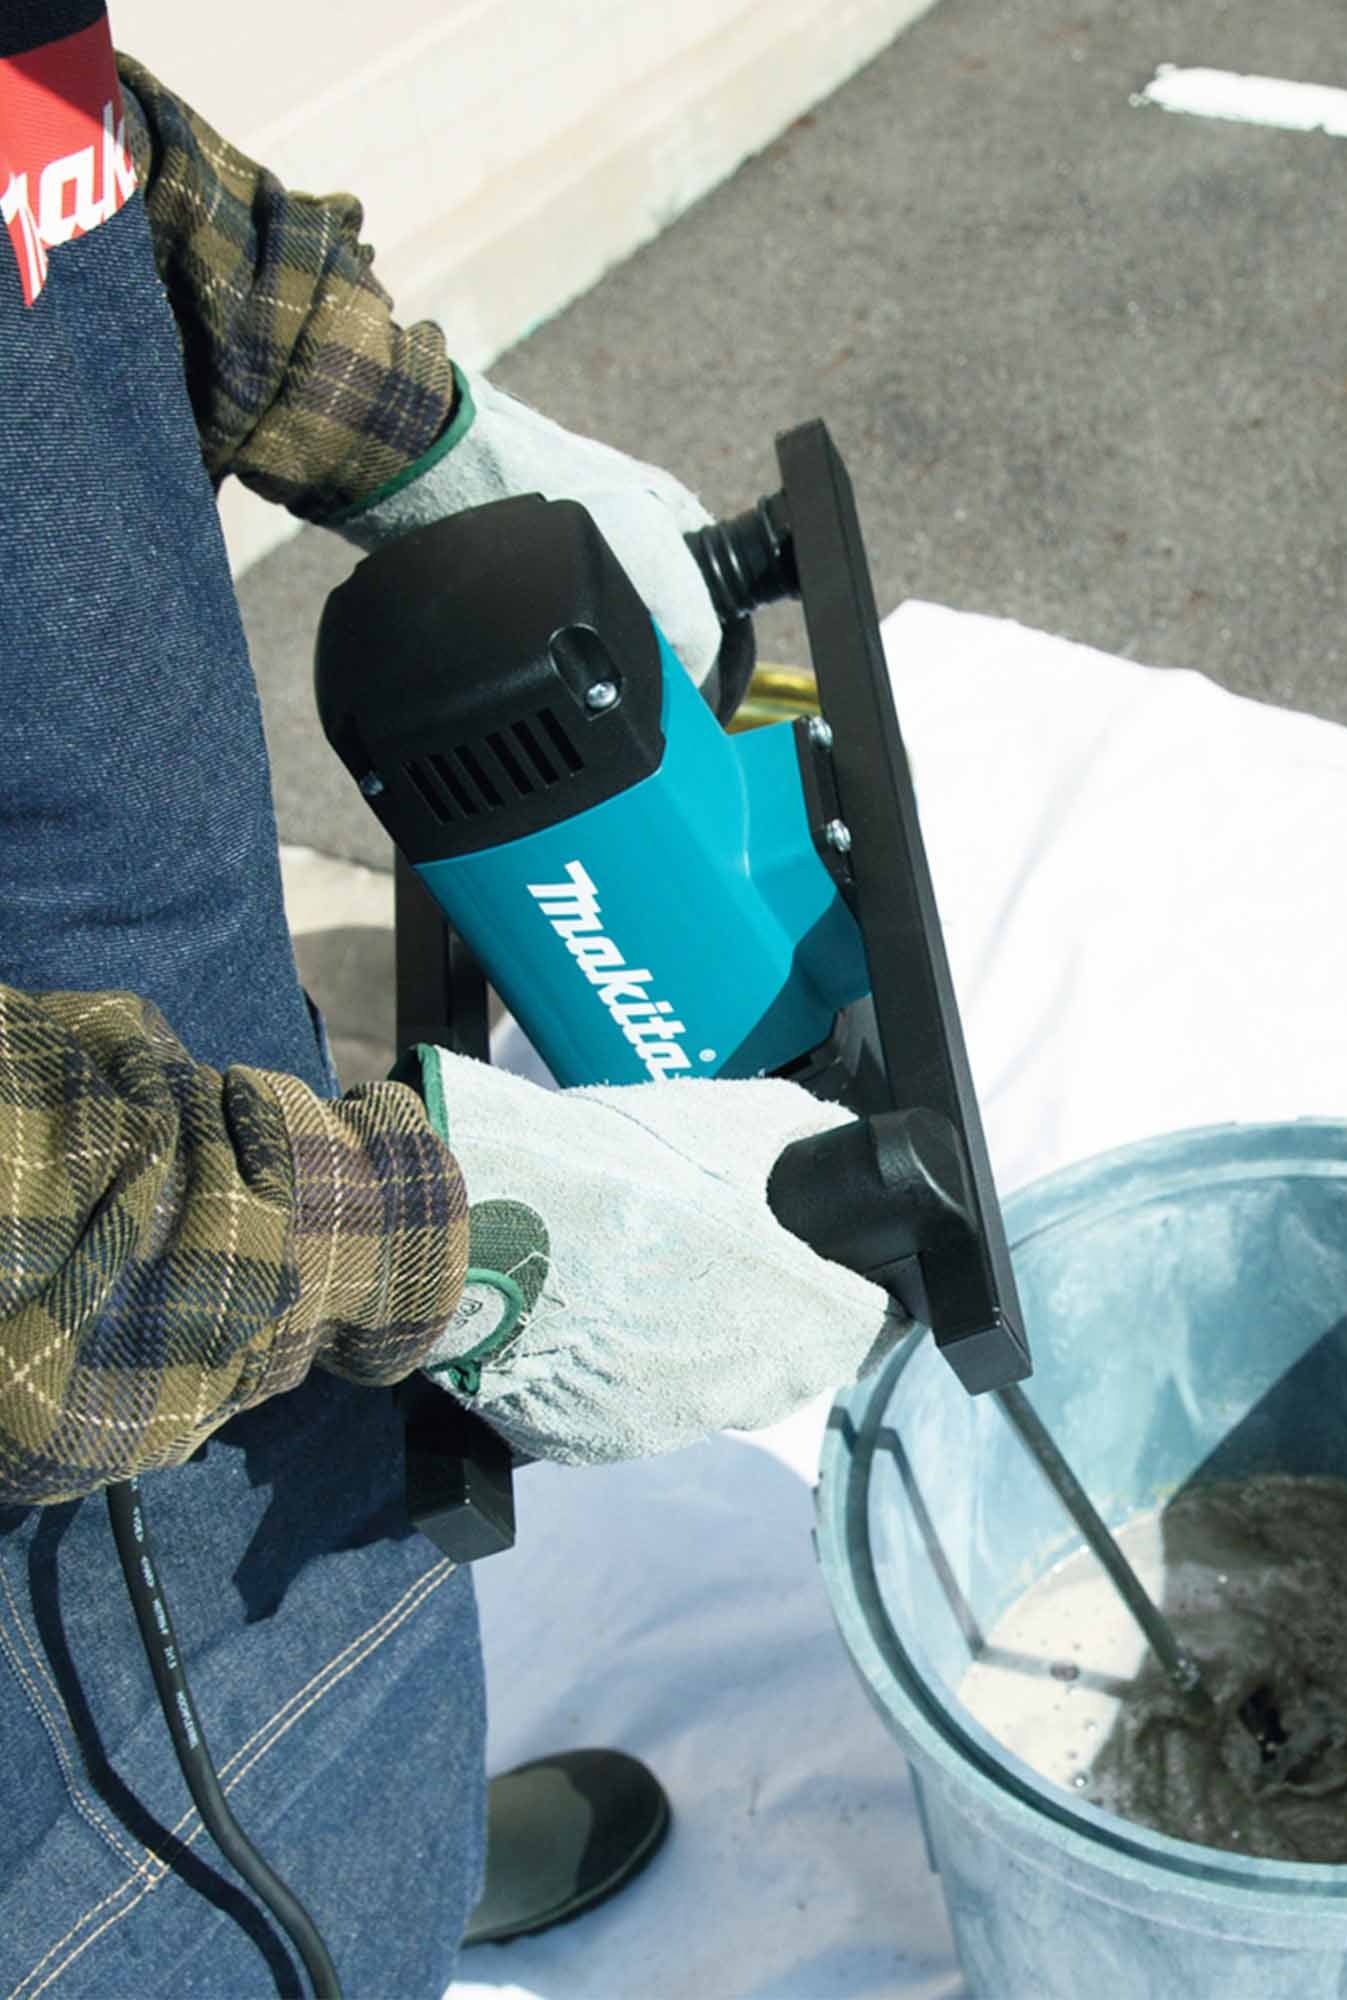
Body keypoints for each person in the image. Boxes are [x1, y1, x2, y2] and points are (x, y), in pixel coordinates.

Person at [0, 5, 902, 1992]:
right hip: (52, 1317)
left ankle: (351, 1843)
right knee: (103, 1850)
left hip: (186, 1052)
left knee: (320, 1573)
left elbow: (51, 144)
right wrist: (460, 1240)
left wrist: (411, 434)